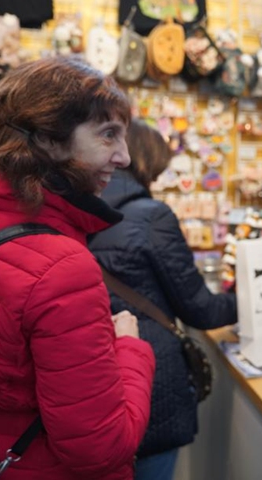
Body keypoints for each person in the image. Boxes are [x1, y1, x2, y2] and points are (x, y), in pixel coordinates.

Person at [0, 56, 155, 480]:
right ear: (49, 140)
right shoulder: (62, 267)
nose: (125, 157)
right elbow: (100, 449)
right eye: (108, 135)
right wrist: (129, 348)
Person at [89, 119, 238, 480]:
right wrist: (251, 301)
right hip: (151, 377)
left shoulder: (80, 211)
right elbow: (200, 309)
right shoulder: (151, 216)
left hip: (97, 374)